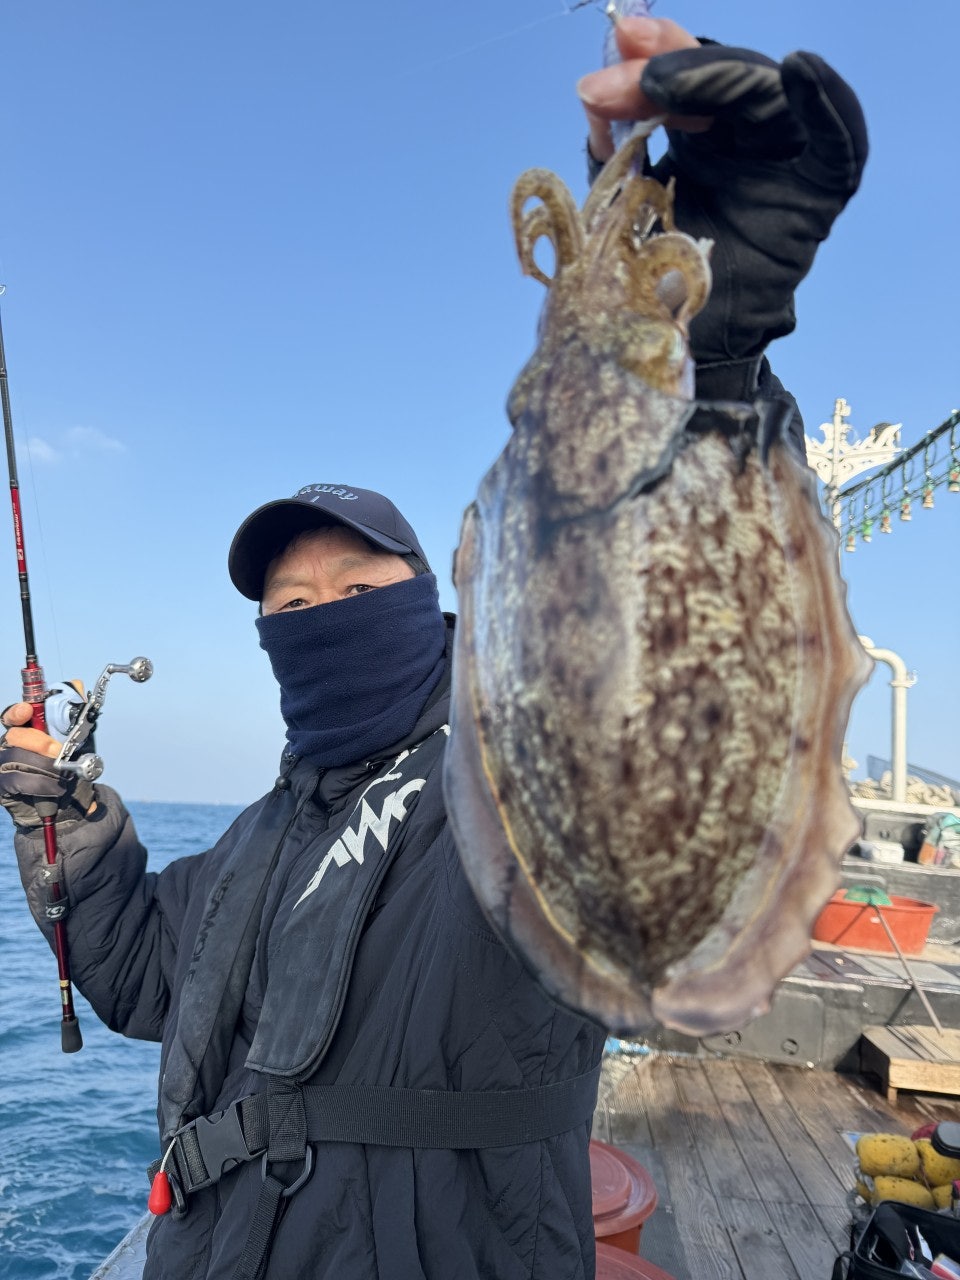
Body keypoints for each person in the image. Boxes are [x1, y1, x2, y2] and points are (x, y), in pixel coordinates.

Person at [0, 15, 867, 1280]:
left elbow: (651, 683)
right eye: (291, 605)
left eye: (357, 585)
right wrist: (70, 823)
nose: (321, 615)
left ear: (436, 594)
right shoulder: (261, 835)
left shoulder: (511, 786)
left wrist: (710, 354)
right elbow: (138, 970)